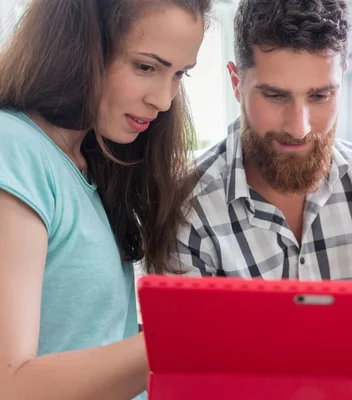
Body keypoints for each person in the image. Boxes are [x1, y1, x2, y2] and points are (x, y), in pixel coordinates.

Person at [0, 0, 212, 398]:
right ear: (77, 46)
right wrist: (184, 332)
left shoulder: (89, 162)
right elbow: (10, 384)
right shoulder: (12, 150)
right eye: (146, 67)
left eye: (179, 74)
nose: (164, 101)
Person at [174, 0, 352, 281]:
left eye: (320, 96)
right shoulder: (187, 206)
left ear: (341, 79)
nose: (299, 128)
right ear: (237, 84)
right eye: (275, 96)